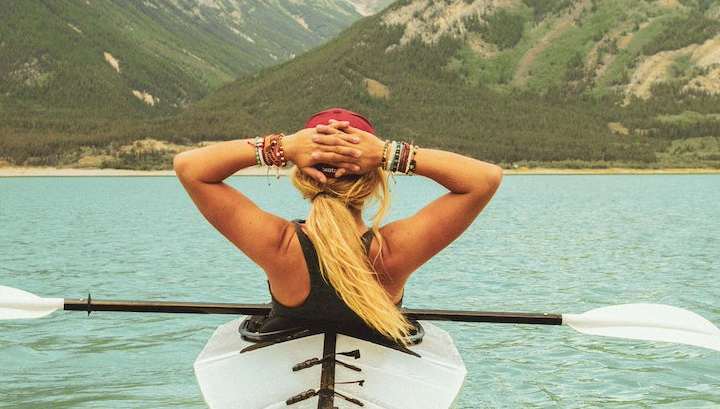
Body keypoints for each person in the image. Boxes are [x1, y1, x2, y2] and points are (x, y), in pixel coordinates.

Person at [173, 108, 502, 344]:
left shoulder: (278, 245)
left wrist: (282, 146)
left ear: (302, 175)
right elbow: (485, 179)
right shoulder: (392, 251)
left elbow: (189, 167)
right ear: (375, 178)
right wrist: (388, 152)